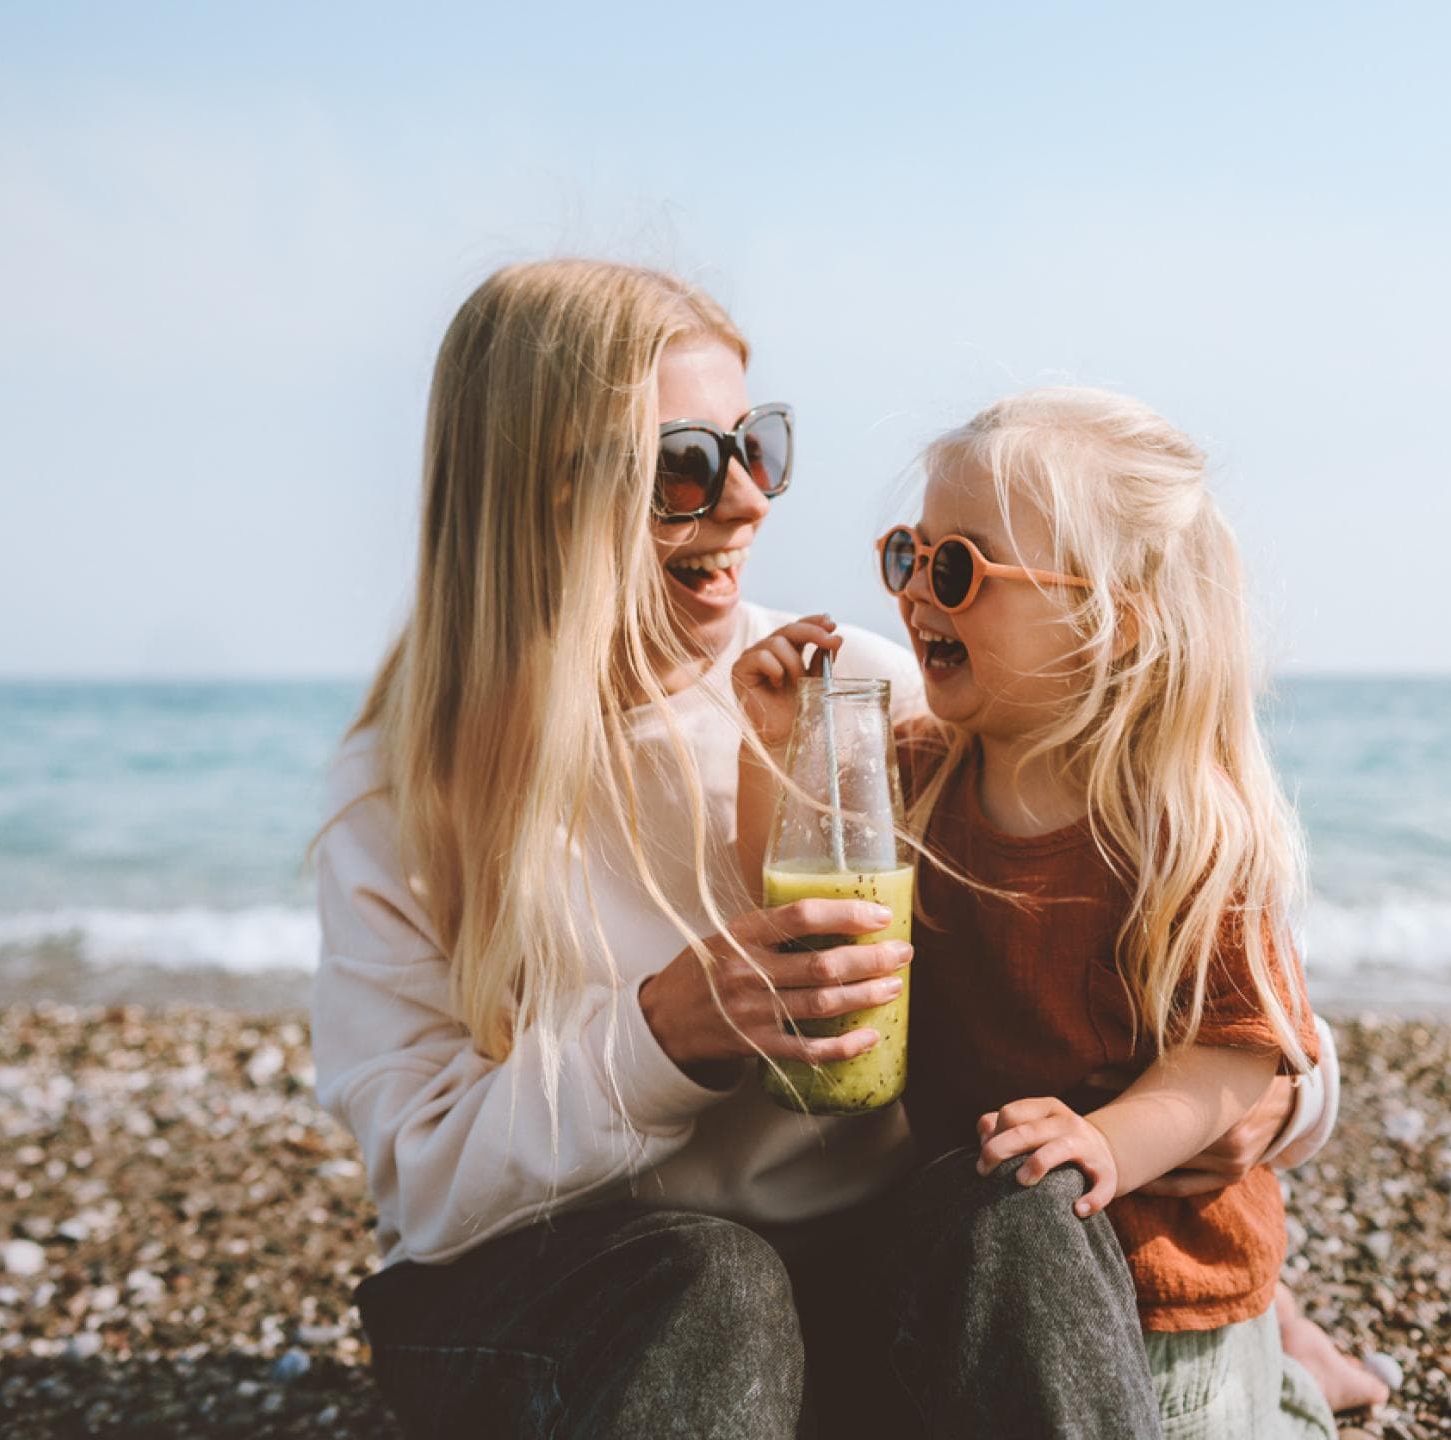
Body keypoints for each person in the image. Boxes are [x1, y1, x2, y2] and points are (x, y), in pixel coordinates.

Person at [312, 259, 1366, 1437]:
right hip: (578, 1297)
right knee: (715, 1284)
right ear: (535, 495)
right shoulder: (406, 792)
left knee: (1020, 1201)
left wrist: (1262, 1113)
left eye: (757, 448)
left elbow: (1187, 962)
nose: (753, 503)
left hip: (862, 1282)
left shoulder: (855, 697)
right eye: (685, 469)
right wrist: (666, 1031)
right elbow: (424, 1179)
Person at [732, 386, 1356, 1434]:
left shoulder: (1185, 832)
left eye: (959, 569)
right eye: (907, 557)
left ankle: (1291, 1391)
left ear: (1111, 623)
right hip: (978, 1256)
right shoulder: (918, 777)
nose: (918, 596)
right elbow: (812, 906)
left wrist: (1108, 1141)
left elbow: (1234, 1053)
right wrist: (778, 743)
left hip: (1166, 1283)